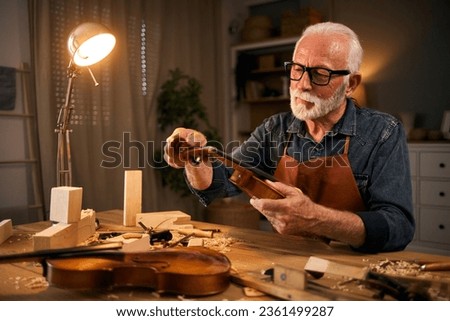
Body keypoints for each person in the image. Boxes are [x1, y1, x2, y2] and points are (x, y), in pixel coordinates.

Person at [164, 22, 414, 253]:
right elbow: (221, 181)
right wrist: (195, 157)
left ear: (350, 84)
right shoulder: (274, 129)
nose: (302, 84)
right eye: (297, 69)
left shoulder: (384, 132)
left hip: (355, 268)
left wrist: (317, 219)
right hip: (287, 259)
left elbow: (398, 226)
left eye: (320, 74)